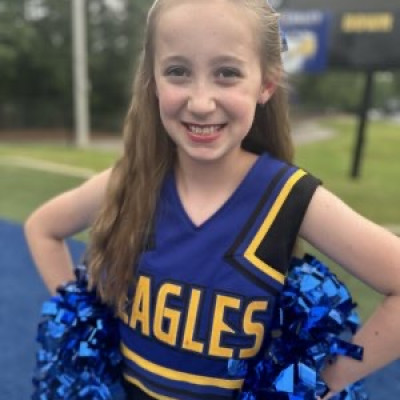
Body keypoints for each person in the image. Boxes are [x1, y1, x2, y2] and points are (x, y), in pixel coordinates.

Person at [25, 1, 400, 399]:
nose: (201, 102)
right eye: (178, 72)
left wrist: (324, 383)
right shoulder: (132, 181)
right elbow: (42, 228)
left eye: (227, 73)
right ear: (153, 81)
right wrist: (84, 326)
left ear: (266, 83)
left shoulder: (288, 197)